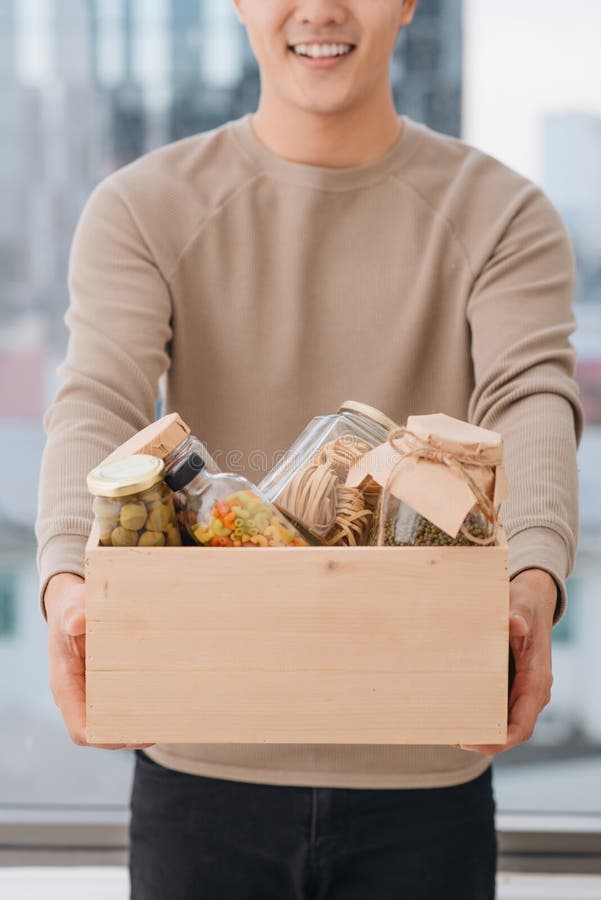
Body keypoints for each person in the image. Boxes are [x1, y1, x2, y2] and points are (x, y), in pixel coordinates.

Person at [36, 1, 583, 897]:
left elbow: (530, 399)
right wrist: (64, 582)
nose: (320, 9)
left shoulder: (503, 213)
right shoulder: (142, 206)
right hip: (198, 763)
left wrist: (532, 581)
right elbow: (98, 399)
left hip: (428, 763)